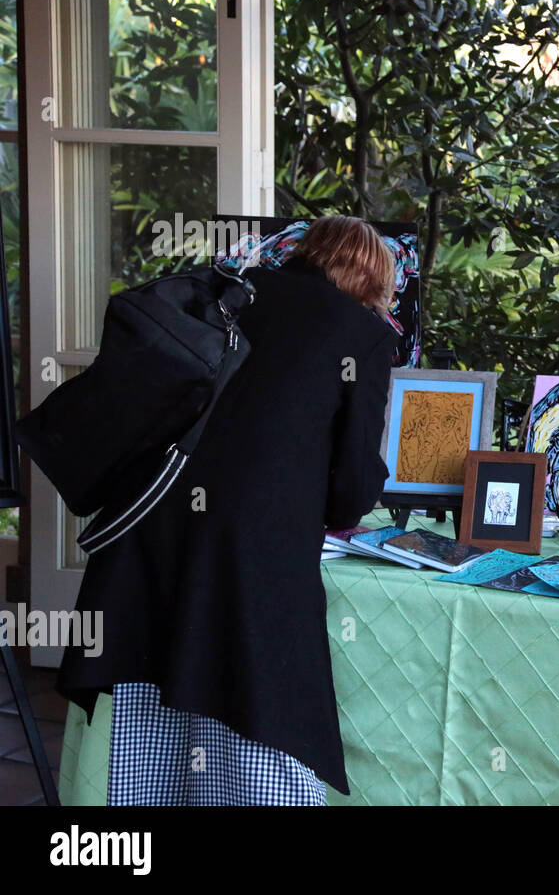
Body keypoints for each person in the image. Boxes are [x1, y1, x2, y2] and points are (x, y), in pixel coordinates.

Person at [56, 215, 397, 805]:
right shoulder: (359, 333)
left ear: (307, 253)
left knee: (150, 714)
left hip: (148, 527)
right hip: (250, 554)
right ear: (373, 279)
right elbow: (351, 491)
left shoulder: (225, 294)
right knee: (257, 713)